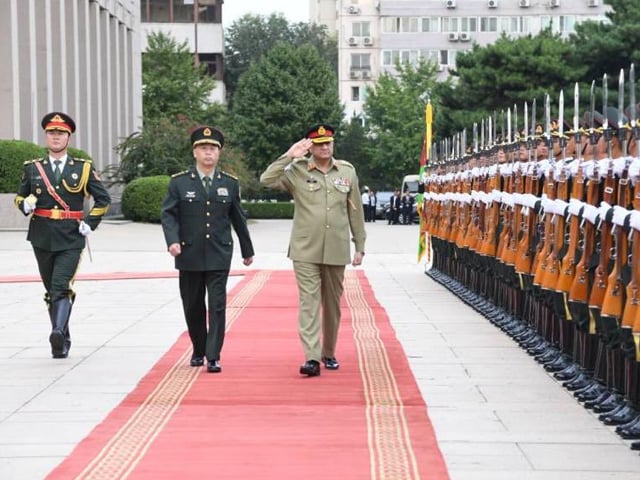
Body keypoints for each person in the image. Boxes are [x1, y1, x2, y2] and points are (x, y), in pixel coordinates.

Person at [259, 123, 366, 377]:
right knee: (309, 301)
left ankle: (329, 352)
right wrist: (289, 155)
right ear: (310, 147)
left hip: (337, 247)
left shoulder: (347, 172)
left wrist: (359, 245)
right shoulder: (296, 170)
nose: (325, 147)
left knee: (332, 304)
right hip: (305, 248)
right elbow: (266, 180)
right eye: (319, 144)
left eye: (328, 143)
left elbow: (356, 211)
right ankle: (312, 357)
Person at [14, 112, 111, 359]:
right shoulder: (33, 168)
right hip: (41, 235)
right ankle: (62, 338)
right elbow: (19, 196)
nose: (56, 137)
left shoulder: (83, 168)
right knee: (52, 289)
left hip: (70, 237)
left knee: (60, 285)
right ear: (46, 136)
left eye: (61, 133)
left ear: (68, 137)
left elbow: (103, 199)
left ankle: (56, 331)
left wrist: (90, 222)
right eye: (51, 133)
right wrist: (25, 204)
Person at [161, 126, 254, 373]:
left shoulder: (229, 183)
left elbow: (238, 217)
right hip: (188, 253)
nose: (208, 153)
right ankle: (199, 349)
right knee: (192, 305)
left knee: (217, 304)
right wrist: (172, 240)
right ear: (195, 152)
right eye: (203, 148)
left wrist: (247, 249)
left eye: (213, 148)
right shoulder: (179, 183)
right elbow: (169, 214)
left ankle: (213, 355)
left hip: (219, 253)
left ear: (219, 153)